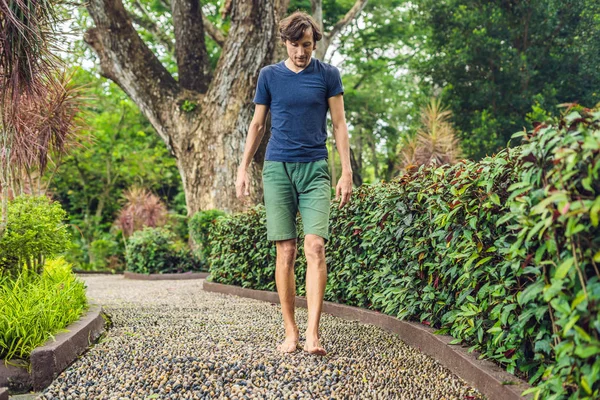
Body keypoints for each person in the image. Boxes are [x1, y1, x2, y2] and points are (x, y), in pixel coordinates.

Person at [235, 11, 352, 356]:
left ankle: (314, 333)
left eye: (307, 45)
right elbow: (257, 125)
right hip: (277, 169)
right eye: (294, 45)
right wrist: (243, 168)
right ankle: (291, 331)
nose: (300, 52)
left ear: (314, 43)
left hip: (315, 168)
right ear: (284, 42)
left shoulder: (328, 75)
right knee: (285, 250)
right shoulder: (269, 76)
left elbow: (340, 124)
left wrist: (346, 171)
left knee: (315, 246)